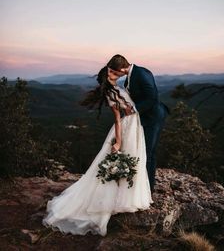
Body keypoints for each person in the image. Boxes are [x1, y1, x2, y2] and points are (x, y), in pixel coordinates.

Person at [42, 65, 153, 237]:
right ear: (105, 78)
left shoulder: (119, 88)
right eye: (109, 72)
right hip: (126, 128)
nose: (113, 73)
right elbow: (117, 119)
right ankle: (111, 201)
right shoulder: (110, 93)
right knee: (122, 162)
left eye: (113, 71)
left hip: (135, 126)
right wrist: (118, 142)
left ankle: (127, 198)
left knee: (135, 159)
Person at [107, 54, 170, 193]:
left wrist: (133, 109)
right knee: (146, 152)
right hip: (144, 118)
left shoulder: (141, 74)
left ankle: (148, 190)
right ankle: (145, 186)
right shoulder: (131, 75)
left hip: (153, 117)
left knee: (148, 153)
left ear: (121, 69)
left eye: (113, 71)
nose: (112, 74)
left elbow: (152, 98)